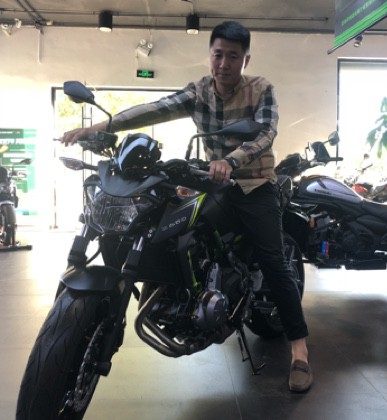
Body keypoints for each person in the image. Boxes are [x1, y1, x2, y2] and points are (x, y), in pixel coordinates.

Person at [61, 20, 313, 393]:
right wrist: (100, 127)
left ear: (245, 60)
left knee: (275, 264)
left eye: (233, 56)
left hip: (254, 184)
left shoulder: (261, 88)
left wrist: (233, 160)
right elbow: (156, 108)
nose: (223, 63)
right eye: (218, 55)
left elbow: (265, 133)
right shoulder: (199, 91)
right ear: (209, 55)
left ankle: (300, 352)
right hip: (214, 179)